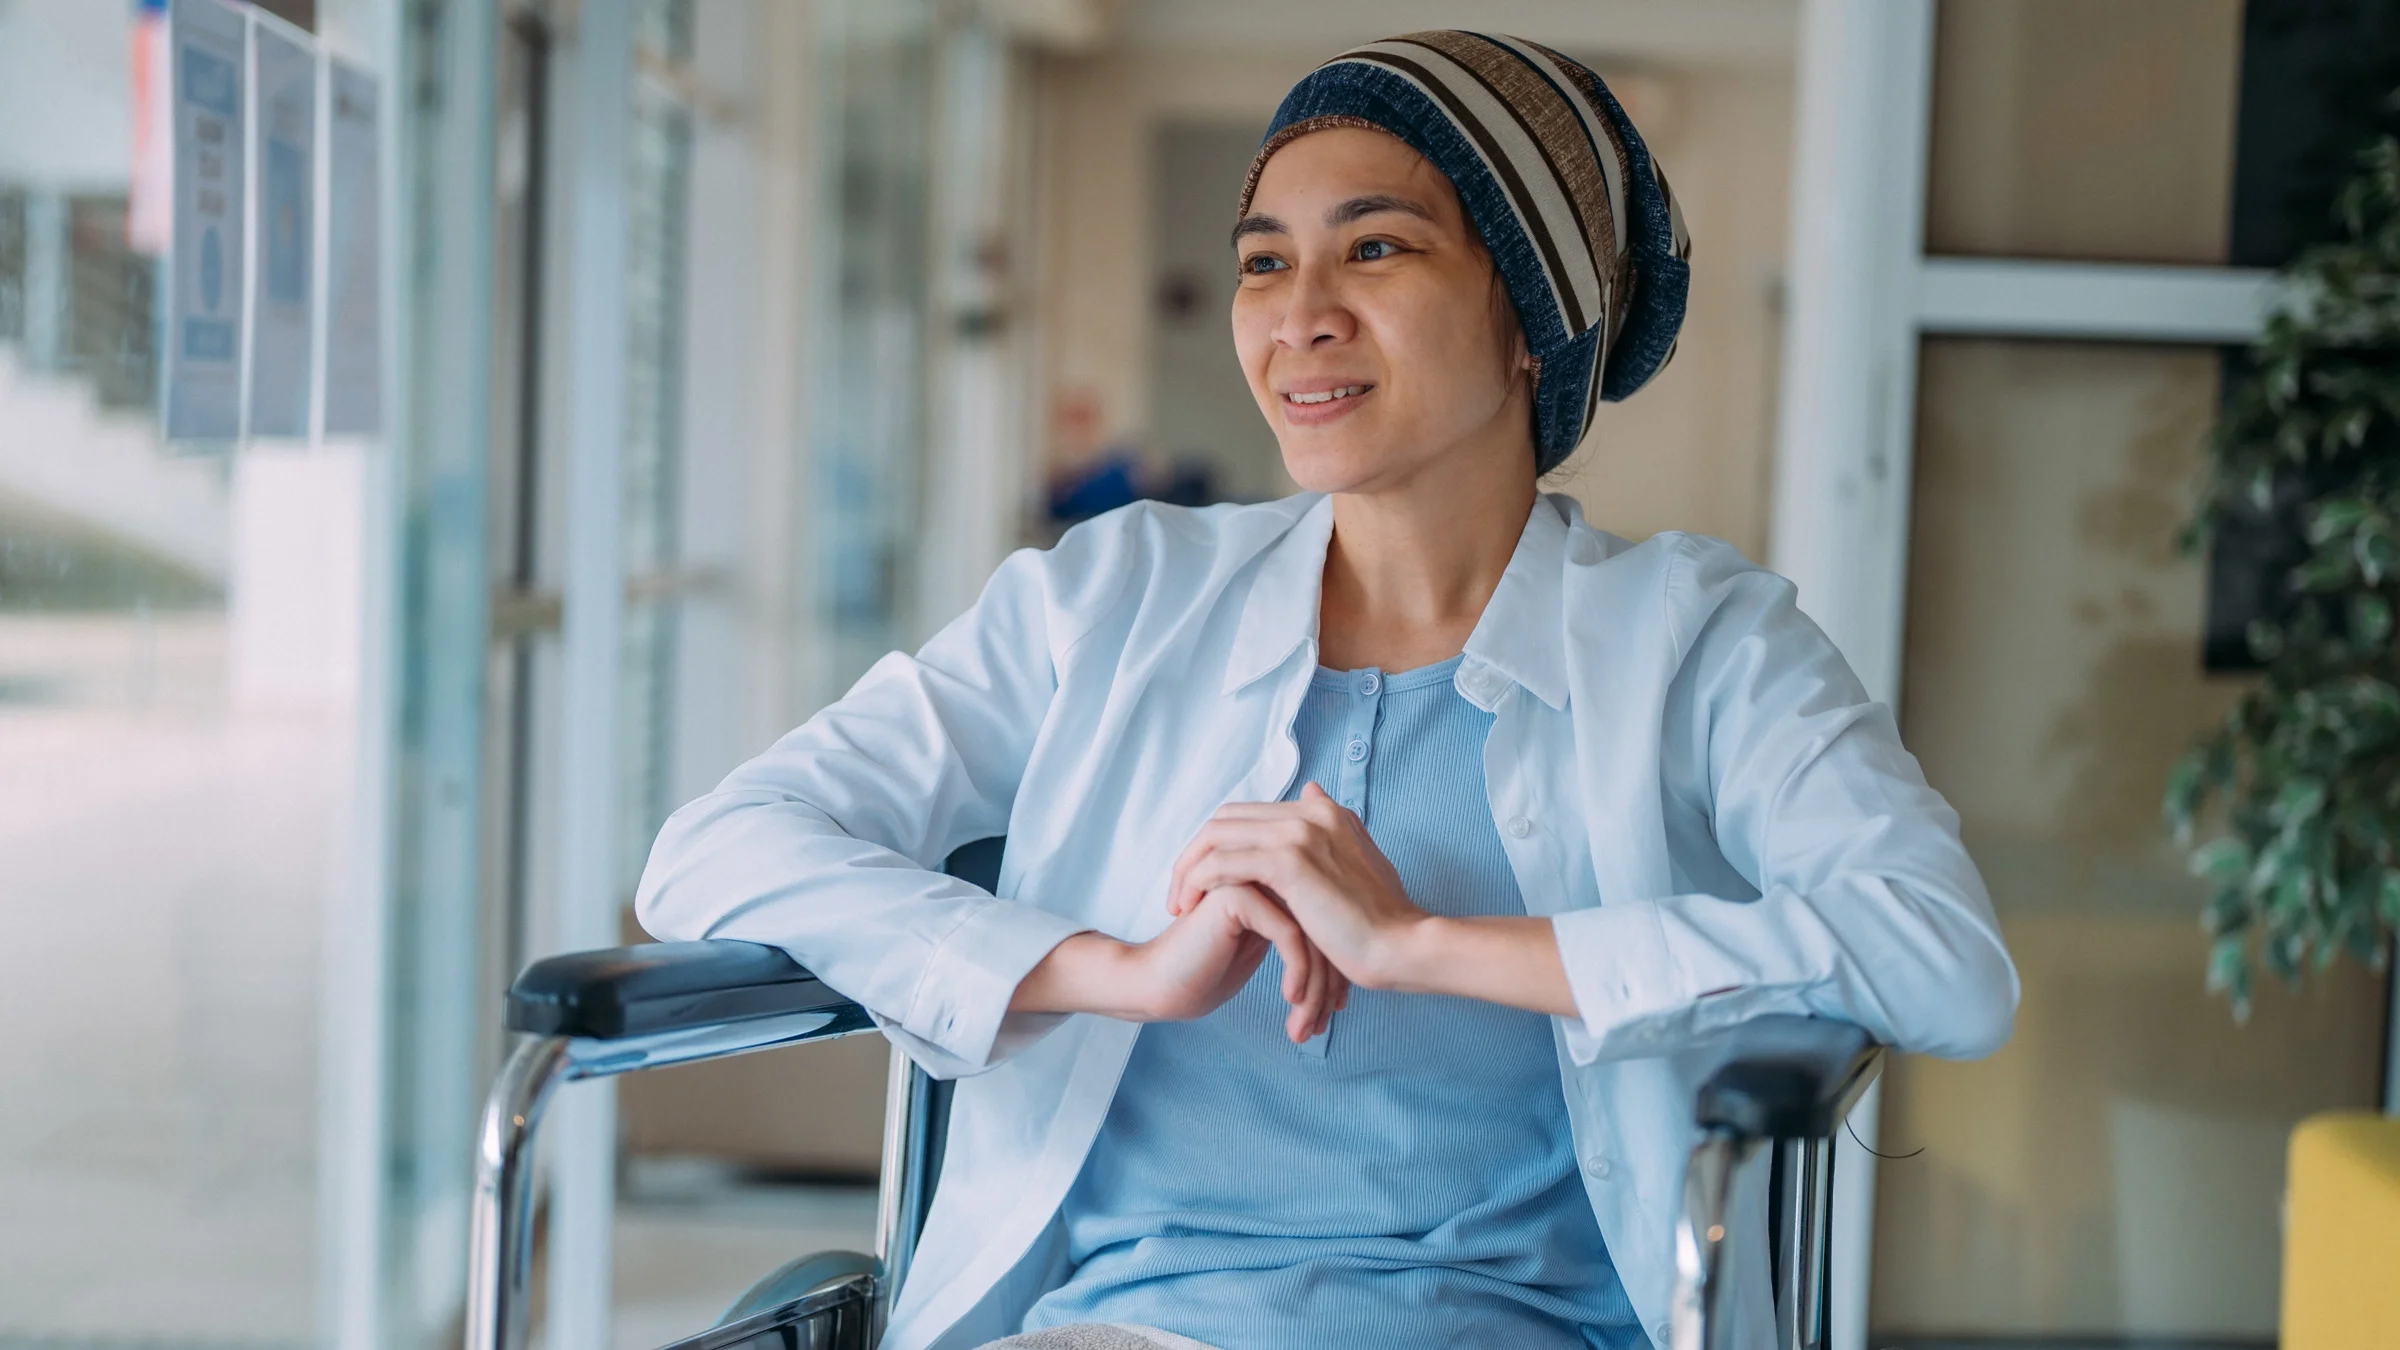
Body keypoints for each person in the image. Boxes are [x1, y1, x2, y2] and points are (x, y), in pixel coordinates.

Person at [638, 30, 2018, 1350]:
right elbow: (714, 848)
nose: (1299, 316)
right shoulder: (1110, 599)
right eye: (1261, 262)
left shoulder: (1701, 639)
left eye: (1376, 246)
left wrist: (1420, 943)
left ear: (1529, 316)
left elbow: (1941, 959)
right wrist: (1114, 971)